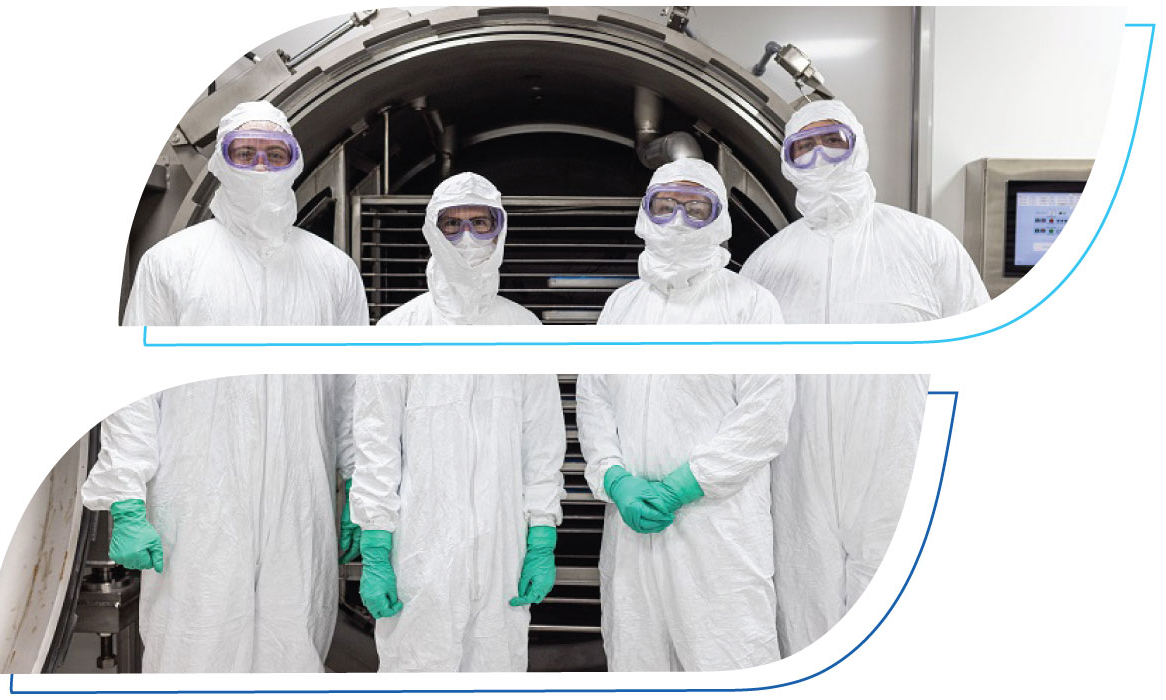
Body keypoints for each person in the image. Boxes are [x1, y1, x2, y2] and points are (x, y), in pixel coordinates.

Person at [80, 101, 368, 672]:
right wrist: (127, 500)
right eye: (244, 153)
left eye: (274, 154)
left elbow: (354, 393)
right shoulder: (172, 264)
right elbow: (134, 391)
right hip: (197, 507)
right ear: (219, 161)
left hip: (298, 504)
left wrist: (362, 486)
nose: (260, 167)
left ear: (295, 162)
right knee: (195, 651)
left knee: (294, 651)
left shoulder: (333, 273)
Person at [739, 99, 989, 656]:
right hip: (796, 484)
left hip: (900, 478)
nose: (819, 155)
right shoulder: (767, 266)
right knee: (807, 633)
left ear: (859, 143)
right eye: (802, 146)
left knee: (907, 637)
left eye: (833, 139)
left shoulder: (925, 244)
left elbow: (982, 363)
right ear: (785, 161)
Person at [576, 158, 795, 671]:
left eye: (696, 209)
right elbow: (594, 399)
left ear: (719, 221)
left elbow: (765, 413)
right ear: (644, 214)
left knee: (728, 661)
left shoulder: (750, 305)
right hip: (632, 529)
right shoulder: (621, 307)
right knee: (636, 661)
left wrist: (687, 483)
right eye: (665, 206)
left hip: (716, 526)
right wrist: (613, 477)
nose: (678, 220)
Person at [347, 172, 567, 672]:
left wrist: (541, 535)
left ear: (499, 230)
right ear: (431, 231)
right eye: (452, 224)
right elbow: (376, 446)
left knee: (497, 672)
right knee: (416, 674)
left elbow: (544, 446)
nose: (467, 237)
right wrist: (377, 547)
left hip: (502, 549)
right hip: (421, 548)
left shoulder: (523, 330)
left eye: (479, 222)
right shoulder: (398, 331)